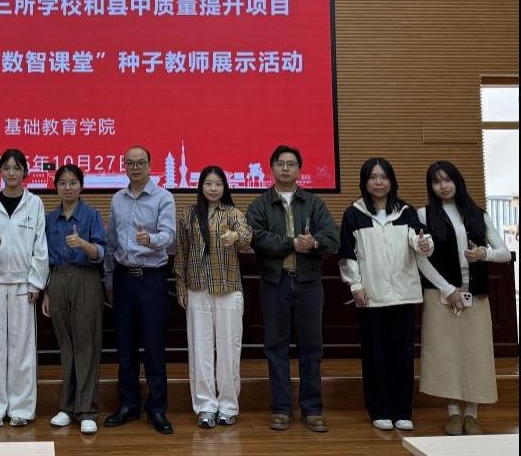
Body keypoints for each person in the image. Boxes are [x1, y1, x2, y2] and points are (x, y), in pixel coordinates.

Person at [247, 144, 338, 433]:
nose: (286, 168)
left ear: (299, 169)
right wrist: (292, 243)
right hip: (275, 284)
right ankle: (281, 409)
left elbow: (332, 237)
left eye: (291, 163)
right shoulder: (259, 205)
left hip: (309, 284)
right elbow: (256, 238)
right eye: (280, 163)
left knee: (311, 348)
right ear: (271, 168)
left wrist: (314, 243)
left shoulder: (313, 203)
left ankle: (313, 410)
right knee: (276, 348)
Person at [416, 161, 511, 436]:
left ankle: (472, 414)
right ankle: (453, 414)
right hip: (441, 294)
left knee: (475, 353)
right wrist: (448, 289)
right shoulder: (424, 214)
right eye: (436, 181)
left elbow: (504, 253)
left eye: (447, 180)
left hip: (475, 294)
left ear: (457, 181)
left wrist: (483, 254)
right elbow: (420, 259)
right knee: (446, 354)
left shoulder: (477, 214)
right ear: (431, 186)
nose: (443, 186)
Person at [338, 158, 431, 432]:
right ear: (364, 182)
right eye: (372, 177)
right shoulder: (353, 213)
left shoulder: (406, 212)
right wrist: (355, 286)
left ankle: (402, 411)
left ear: (392, 181)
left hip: (404, 295)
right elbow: (347, 254)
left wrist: (424, 243)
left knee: (402, 356)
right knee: (375, 356)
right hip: (371, 297)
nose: (378, 182)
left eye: (384, 177)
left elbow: (420, 240)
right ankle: (379, 410)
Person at [0, 148, 48, 428]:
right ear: (0, 171)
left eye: (17, 168)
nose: (11, 173)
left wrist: (36, 282)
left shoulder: (34, 204)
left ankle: (21, 409)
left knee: (22, 349)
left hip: (23, 285)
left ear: (25, 172)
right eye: (7, 168)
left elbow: (40, 246)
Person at [103, 146, 176, 435]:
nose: (135, 167)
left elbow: (169, 236)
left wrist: (151, 240)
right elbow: (111, 243)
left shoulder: (163, 197)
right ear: (124, 166)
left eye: (140, 162)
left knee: (154, 346)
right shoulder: (117, 199)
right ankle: (128, 404)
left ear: (150, 165)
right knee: (125, 346)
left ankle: (157, 408)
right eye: (130, 163)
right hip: (123, 278)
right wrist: (109, 280)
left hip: (152, 278)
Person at [173, 165, 252, 429]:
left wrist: (236, 236)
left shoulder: (232, 213)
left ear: (224, 187)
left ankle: (228, 405)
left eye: (218, 184)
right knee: (200, 350)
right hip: (197, 290)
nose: (213, 188)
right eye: (208, 184)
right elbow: (181, 253)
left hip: (228, 289)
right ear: (201, 186)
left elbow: (248, 238)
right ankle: (205, 406)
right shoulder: (188, 215)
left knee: (229, 349)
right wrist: (181, 287)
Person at [42, 165, 106, 435]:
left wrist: (83, 244)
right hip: (57, 279)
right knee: (66, 346)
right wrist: (46, 291)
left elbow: (101, 253)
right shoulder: (49, 219)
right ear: (56, 187)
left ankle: (87, 410)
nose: (67, 188)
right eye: (63, 183)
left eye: (73, 183)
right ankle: (67, 408)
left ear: (81, 185)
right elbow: (43, 257)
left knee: (86, 345)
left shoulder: (91, 215)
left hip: (85, 279)